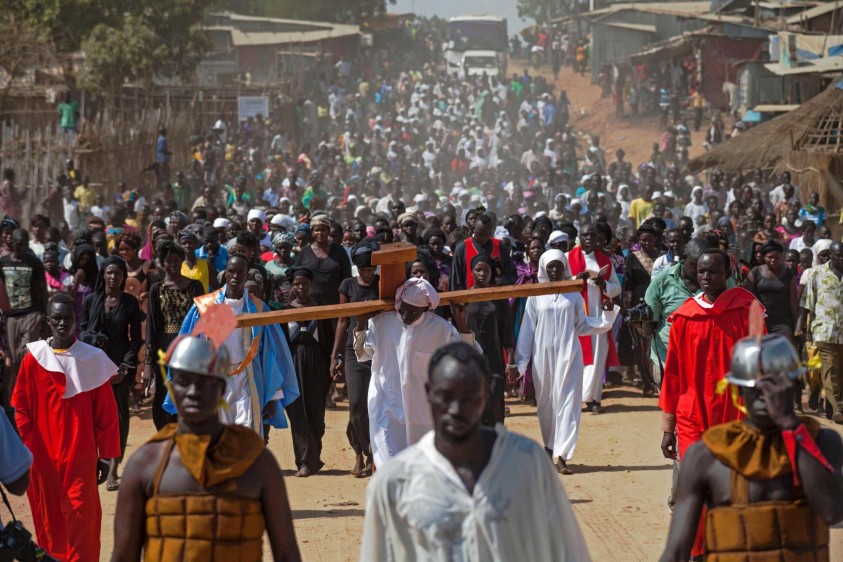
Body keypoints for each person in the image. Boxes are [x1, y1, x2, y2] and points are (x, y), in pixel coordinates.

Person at [360, 342, 592, 562]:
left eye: (468, 398)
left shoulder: (527, 463)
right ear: (429, 393)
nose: (456, 409)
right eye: (446, 396)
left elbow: (567, 551)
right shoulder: (396, 482)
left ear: (485, 396)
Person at [111, 335, 302, 562]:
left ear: (222, 388)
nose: (193, 391)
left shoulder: (256, 463)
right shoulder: (146, 465)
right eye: (184, 381)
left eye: (204, 382)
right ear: (171, 388)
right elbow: (124, 556)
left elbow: (286, 553)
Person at [660, 334, 843, 561]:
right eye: (754, 389)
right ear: (737, 390)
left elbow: (833, 512)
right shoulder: (708, 455)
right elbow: (676, 551)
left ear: (794, 385)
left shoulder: (823, 442)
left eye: (774, 388)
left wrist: (790, 426)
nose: (764, 398)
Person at [658, 249, 763, 557]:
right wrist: (668, 427)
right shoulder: (684, 317)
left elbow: (761, 366)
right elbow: (673, 375)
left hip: (736, 414)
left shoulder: (746, 310)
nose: (706, 277)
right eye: (701, 272)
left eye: (713, 272)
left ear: (726, 273)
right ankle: (698, 549)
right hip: (693, 416)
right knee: (695, 484)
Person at [13, 293, 121, 562]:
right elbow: (21, 407)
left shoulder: (92, 359)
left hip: (80, 458)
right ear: (48, 321)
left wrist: (107, 456)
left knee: (82, 521)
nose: (63, 323)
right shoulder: (33, 359)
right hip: (43, 459)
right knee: (49, 521)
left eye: (68, 318)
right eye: (57, 318)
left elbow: (106, 415)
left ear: (77, 321)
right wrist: (28, 448)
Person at [164, 253, 300, 439]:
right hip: (212, 380)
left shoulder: (258, 309)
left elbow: (271, 354)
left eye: (240, 272)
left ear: (246, 275)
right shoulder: (205, 307)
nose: (235, 276)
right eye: (231, 271)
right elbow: (187, 345)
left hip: (247, 380)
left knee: (246, 434)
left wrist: (273, 397)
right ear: (225, 274)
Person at [354, 277, 476, 468]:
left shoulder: (441, 329)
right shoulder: (381, 323)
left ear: (426, 309)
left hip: (424, 414)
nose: (406, 314)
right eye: (404, 308)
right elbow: (362, 354)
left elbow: (468, 360)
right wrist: (360, 325)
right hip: (386, 407)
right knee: (389, 465)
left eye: (413, 311)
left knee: (422, 468)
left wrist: (463, 327)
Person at [514, 249, 617, 474]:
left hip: (570, 354)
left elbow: (582, 325)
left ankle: (563, 455)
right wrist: (520, 364)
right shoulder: (536, 295)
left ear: (565, 269)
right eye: (550, 267)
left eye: (558, 267)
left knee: (569, 404)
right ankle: (549, 446)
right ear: (543, 268)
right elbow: (527, 331)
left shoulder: (573, 295)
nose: (554, 271)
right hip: (543, 357)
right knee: (546, 404)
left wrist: (606, 318)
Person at [81, 255, 143, 491]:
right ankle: (95, 463)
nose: (114, 277)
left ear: (123, 276)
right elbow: (84, 332)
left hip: (119, 368)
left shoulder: (129, 303)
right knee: (92, 418)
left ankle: (114, 467)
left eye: (118, 273)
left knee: (119, 418)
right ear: (103, 275)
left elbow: (135, 338)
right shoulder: (91, 300)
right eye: (110, 273)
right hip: (94, 367)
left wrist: (125, 367)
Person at [330, 241, 379, 477]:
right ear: (357, 269)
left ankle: (374, 454)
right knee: (357, 403)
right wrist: (334, 355)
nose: (367, 274)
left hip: (380, 348)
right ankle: (360, 452)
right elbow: (341, 320)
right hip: (353, 349)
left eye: (371, 269)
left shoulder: (382, 285)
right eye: (363, 270)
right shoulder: (347, 285)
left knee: (377, 403)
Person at [145, 240, 205, 430]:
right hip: (165, 348)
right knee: (165, 391)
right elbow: (151, 329)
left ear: (181, 261)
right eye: (168, 261)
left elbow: (204, 321)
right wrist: (148, 363)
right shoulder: (156, 289)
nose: (172, 265)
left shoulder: (195, 286)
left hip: (190, 349)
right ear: (162, 263)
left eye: (176, 261)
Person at [282, 267, 334, 477]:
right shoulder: (284, 310)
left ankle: (315, 457)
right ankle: (304, 461)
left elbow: (329, 339)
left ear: (311, 285)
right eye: (297, 284)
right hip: (293, 365)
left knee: (316, 414)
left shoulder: (321, 309)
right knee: (298, 413)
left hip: (317, 365)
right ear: (292, 286)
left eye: (305, 284)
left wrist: (333, 362)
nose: (301, 288)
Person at [566, 223, 621, 412]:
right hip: (575, 314)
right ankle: (575, 398)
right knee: (575, 356)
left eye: (591, 235)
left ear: (597, 238)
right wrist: (575, 279)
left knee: (597, 356)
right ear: (578, 238)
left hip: (597, 314)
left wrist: (603, 283)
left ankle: (594, 399)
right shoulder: (567, 258)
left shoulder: (604, 260)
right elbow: (559, 283)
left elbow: (616, 287)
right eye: (584, 235)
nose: (588, 238)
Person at [453, 253, 513, 426]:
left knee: (495, 401)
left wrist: (511, 360)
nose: (482, 273)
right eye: (478, 270)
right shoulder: (464, 297)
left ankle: (496, 443)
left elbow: (507, 330)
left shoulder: (499, 297)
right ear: (471, 272)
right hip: (472, 360)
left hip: (494, 360)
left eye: (486, 270)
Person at [0, 228, 48, 409]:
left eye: (24, 245)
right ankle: (8, 401)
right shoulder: (3, 263)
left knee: (27, 356)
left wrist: (45, 315)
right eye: (17, 245)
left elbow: (42, 289)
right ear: (12, 244)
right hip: (10, 317)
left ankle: (29, 398)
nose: (20, 249)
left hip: (31, 314)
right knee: (11, 360)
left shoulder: (34, 262)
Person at [798, 241, 843, 423]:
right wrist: (801, 326)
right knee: (830, 369)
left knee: (839, 372)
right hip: (825, 331)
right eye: (838, 256)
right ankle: (839, 408)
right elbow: (807, 301)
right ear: (830, 255)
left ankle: (831, 408)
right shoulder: (817, 273)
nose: (841, 259)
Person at [292, 215, 351, 305]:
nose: (320, 233)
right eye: (316, 230)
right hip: (310, 304)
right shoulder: (304, 251)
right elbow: (296, 278)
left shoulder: (339, 250)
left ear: (328, 231)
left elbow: (347, 278)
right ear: (312, 232)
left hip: (335, 303)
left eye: (323, 230)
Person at [745, 240, 797, 340]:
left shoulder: (788, 273)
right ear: (764, 257)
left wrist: (796, 324)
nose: (773, 260)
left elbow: (793, 301)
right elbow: (747, 298)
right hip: (760, 320)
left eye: (777, 257)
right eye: (770, 257)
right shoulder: (755, 272)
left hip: (783, 322)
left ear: (781, 257)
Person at [450, 213, 516, 291]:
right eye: (480, 234)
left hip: (496, 300)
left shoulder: (500, 246)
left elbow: (512, 275)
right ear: (473, 229)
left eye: (487, 235)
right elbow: (456, 281)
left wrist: (500, 281)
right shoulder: (462, 248)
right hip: (470, 299)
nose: (483, 238)